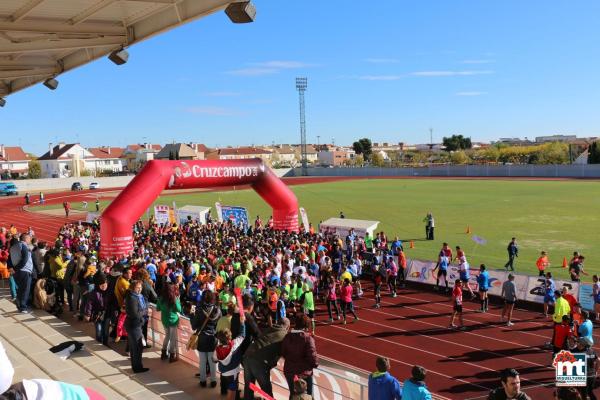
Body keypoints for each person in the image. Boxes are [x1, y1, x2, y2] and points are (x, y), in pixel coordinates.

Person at [242, 318, 290, 400]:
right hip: (259, 362)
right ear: (288, 327)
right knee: (266, 388)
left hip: (247, 355)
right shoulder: (284, 335)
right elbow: (286, 352)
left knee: (249, 384)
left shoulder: (269, 328)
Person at [281, 314, 318, 399]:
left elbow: (283, 352)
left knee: (293, 394)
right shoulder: (308, 338)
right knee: (307, 396)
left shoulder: (287, 336)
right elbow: (312, 356)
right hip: (304, 373)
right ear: (306, 326)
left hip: (289, 371)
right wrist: (315, 364)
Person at [191, 290, 221, 388]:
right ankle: (213, 381)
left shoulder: (199, 310)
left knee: (203, 361)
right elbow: (219, 325)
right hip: (213, 338)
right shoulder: (217, 310)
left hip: (202, 338)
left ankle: (203, 381)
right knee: (212, 361)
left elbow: (194, 326)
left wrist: (192, 314)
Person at [215, 314, 246, 400]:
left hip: (223, 372)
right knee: (232, 390)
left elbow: (214, 359)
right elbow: (242, 335)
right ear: (230, 338)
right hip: (232, 372)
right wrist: (242, 322)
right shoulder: (234, 344)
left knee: (230, 389)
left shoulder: (218, 348)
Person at [125, 280, 149, 373]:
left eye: (140, 287)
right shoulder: (132, 298)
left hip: (135, 324)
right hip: (134, 325)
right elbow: (135, 314)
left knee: (134, 346)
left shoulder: (138, 296)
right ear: (132, 288)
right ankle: (137, 367)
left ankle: (136, 366)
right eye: (137, 288)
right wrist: (145, 311)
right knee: (137, 347)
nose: (139, 289)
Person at [7, 234, 33, 313]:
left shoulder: (12, 247)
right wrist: (15, 268)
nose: (30, 240)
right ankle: (23, 307)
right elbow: (24, 259)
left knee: (20, 289)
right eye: (29, 238)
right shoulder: (23, 246)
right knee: (25, 289)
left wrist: (12, 268)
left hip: (17, 272)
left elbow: (9, 259)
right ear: (25, 238)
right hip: (24, 271)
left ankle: (19, 305)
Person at [156, 282, 182, 363]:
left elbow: (157, 309)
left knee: (167, 336)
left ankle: (163, 353)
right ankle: (172, 356)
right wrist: (178, 300)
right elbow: (179, 309)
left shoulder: (161, 298)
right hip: (173, 320)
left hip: (164, 320)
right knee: (172, 339)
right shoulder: (174, 298)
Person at [84, 273, 110, 345]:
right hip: (97, 314)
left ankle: (105, 344)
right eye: (102, 285)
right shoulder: (94, 293)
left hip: (107, 314)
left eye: (105, 284)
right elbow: (89, 304)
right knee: (99, 330)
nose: (104, 286)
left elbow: (112, 304)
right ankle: (99, 343)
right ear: (98, 285)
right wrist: (88, 314)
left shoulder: (109, 292)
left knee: (105, 331)